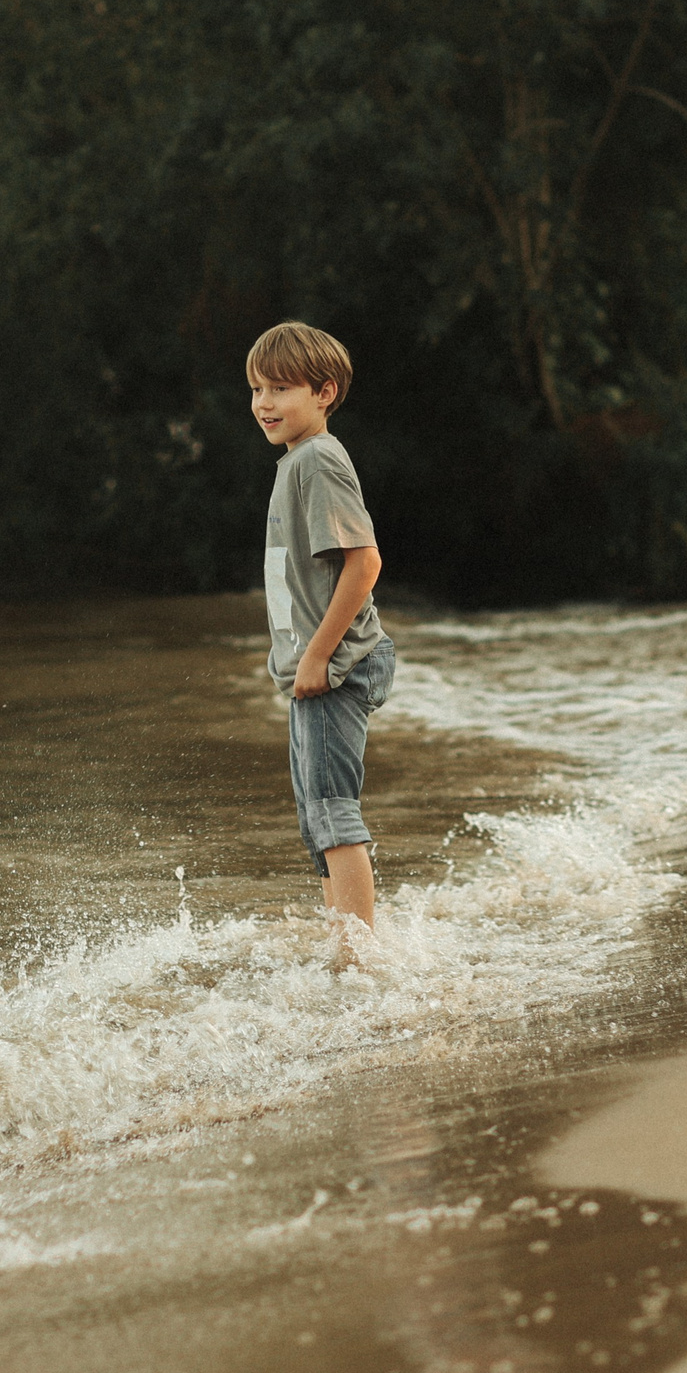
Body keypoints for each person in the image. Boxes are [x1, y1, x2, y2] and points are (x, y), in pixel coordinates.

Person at [247, 321, 395, 943]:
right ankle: (344, 944)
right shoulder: (293, 465)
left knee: (333, 812)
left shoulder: (319, 460)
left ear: (324, 392)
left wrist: (316, 656)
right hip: (314, 669)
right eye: (256, 389)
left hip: (334, 666)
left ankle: (360, 964)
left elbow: (365, 562)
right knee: (317, 819)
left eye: (281, 388)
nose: (264, 404)